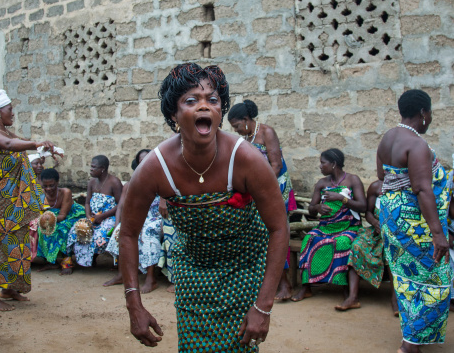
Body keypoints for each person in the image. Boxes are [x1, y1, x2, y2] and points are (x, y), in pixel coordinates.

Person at [118, 63, 289, 350]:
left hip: (244, 266)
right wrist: (133, 305)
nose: (204, 107)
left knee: (240, 346)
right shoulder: (155, 168)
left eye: (212, 100)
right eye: (191, 101)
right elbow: (128, 234)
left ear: (221, 111)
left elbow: (278, 227)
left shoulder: (245, 160)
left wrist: (263, 305)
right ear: (173, 113)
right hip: (192, 269)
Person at [377, 89, 451, 352]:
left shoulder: (387, 138)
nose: (430, 119)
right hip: (415, 223)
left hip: (391, 218)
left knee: (405, 279)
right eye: (429, 114)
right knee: (437, 281)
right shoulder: (417, 144)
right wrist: (438, 233)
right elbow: (422, 189)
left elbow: (382, 176)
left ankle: (412, 337)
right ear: (423, 112)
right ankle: (410, 344)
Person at [0, 88, 55, 311]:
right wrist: (37, 143)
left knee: (19, 245)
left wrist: (48, 149)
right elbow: (12, 147)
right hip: (1, 200)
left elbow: (22, 144)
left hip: (15, 201)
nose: (13, 113)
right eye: (10, 109)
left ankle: (9, 289)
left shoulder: (8, 133)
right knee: (5, 245)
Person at [228, 99, 297, 301]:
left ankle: (285, 286)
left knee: (275, 233)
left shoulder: (267, 132)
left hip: (275, 189)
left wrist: (259, 187)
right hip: (257, 190)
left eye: (237, 126)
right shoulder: (245, 139)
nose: (236, 130)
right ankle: (269, 283)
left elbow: (275, 165)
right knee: (258, 234)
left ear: (247, 119)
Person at [292, 148, 366, 307]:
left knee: (342, 243)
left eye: (323, 163)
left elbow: (363, 206)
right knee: (309, 239)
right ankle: (307, 287)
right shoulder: (322, 183)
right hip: (325, 227)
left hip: (349, 227)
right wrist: (317, 208)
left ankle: (346, 290)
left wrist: (342, 198)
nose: (320, 166)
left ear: (333, 164)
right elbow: (311, 208)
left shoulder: (353, 180)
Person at [105, 149, 162, 293]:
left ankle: (151, 278)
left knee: (148, 233)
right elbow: (122, 207)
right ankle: (121, 274)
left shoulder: (161, 181)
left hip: (156, 219)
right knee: (121, 230)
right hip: (139, 218)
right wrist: (119, 223)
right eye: (140, 161)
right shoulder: (131, 184)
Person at [341, 179, 398, 313]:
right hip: (376, 232)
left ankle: (395, 299)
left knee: (391, 250)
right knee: (357, 246)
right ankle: (353, 297)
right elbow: (368, 213)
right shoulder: (376, 187)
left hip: (397, 235)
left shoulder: (408, 185)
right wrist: (374, 222)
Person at [67, 155, 122, 267]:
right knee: (76, 231)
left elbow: (121, 204)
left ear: (102, 169)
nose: (91, 170)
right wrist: (88, 217)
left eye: (93, 167)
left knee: (99, 236)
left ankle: (92, 257)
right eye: (91, 167)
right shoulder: (92, 182)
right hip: (92, 217)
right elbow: (87, 202)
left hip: (109, 217)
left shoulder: (114, 182)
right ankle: (81, 259)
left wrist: (102, 216)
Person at [37, 168, 86, 275]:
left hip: (70, 215)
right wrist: (44, 220)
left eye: (51, 185)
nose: (48, 188)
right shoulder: (39, 194)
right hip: (50, 217)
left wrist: (48, 219)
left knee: (62, 228)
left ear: (57, 182)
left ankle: (67, 261)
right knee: (41, 229)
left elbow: (63, 215)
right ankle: (51, 261)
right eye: (45, 186)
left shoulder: (65, 192)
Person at [28, 153, 46, 261]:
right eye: (36, 163)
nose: (39, 166)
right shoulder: (26, 181)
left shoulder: (44, 179)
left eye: (40, 163)